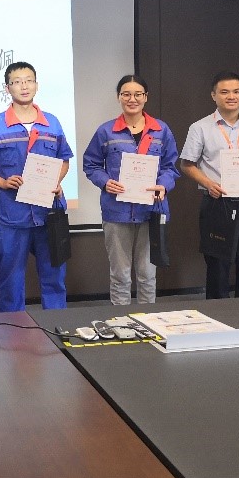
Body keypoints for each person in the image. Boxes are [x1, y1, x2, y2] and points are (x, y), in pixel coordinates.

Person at [0, 62, 73, 311]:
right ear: (7, 88)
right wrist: (1, 182)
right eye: (17, 82)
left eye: (29, 80)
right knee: (10, 281)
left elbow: (64, 160)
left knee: (55, 279)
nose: (24, 86)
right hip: (10, 216)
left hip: (49, 213)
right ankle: (11, 330)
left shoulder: (52, 123)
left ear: (36, 85)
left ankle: (57, 326)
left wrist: (57, 180)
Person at [179, 71, 239, 298]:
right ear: (213, 95)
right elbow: (187, 164)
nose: (231, 96)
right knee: (217, 266)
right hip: (217, 202)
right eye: (224, 92)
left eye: (236, 91)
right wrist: (208, 183)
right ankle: (217, 315)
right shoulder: (200, 127)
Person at [82, 74, 179, 305]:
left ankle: (148, 320)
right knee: (120, 276)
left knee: (147, 275)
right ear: (119, 97)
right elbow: (91, 164)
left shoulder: (161, 130)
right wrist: (106, 182)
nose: (132, 99)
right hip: (117, 212)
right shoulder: (106, 131)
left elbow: (170, 167)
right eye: (126, 94)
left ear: (146, 97)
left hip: (151, 211)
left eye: (137, 94)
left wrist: (163, 185)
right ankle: (121, 320)